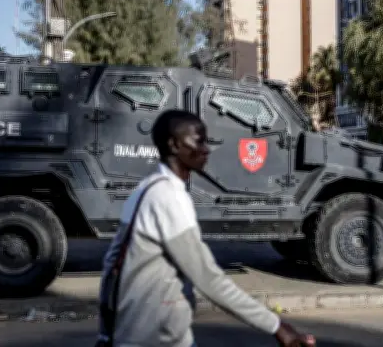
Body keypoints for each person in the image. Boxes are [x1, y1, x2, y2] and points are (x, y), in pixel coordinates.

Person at [96, 110, 316, 347]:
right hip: (156, 337)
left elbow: (111, 266)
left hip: (136, 332)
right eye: (199, 140)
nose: (206, 149)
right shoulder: (169, 198)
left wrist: (106, 334)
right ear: (174, 145)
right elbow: (208, 278)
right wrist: (277, 327)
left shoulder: (147, 189)